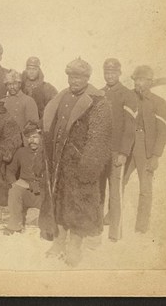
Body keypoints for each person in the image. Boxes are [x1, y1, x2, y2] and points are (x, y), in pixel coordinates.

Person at [39, 58, 112, 267]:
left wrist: (88, 167)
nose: (74, 80)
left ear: (87, 78)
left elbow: (99, 139)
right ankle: (59, 242)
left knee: (79, 206)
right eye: (71, 76)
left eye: (79, 76)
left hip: (81, 165)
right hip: (59, 163)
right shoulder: (61, 98)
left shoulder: (98, 102)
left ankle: (74, 246)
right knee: (59, 202)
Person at [123, 65, 166, 234]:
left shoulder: (159, 102)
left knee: (145, 188)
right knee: (120, 181)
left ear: (150, 82)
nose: (138, 83)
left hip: (146, 147)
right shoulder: (127, 97)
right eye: (136, 80)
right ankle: (114, 218)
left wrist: (156, 155)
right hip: (127, 146)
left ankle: (141, 226)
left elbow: (163, 131)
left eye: (142, 80)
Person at [100, 58, 138, 242]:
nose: (110, 76)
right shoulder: (99, 93)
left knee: (115, 193)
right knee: (98, 190)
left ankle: (115, 233)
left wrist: (124, 152)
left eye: (113, 72)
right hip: (100, 153)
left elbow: (130, 128)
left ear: (119, 73)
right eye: (107, 72)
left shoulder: (127, 95)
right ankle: (96, 226)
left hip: (117, 152)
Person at [3, 123, 45, 235]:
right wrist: (14, 182)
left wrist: (32, 186)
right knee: (14, 191)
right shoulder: (21, 152)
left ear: (42, 137)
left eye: (35, 137)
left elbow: (51, 180)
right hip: (25, 193)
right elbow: (10, 170)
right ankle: (14, 226)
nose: (32, 140)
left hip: (42, 194)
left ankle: (46, 228)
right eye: (29, 138)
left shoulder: (47, 153)